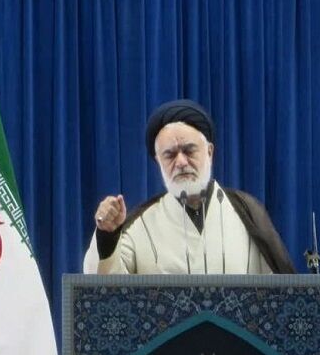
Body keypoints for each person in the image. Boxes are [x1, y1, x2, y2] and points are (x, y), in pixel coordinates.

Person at [83, 99, 295, 274]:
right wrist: (107, 235)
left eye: (189, 150)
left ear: (209, 152)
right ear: (158, 161)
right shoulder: (142, 224)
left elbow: (278, 293)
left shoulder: (247, 213)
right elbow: (105, 290)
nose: (181, 162)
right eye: (170, 155)